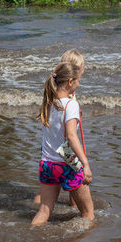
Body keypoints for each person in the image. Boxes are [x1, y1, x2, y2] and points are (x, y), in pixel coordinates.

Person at [31, 57, 94, 225]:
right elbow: (72, 136)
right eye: (78, 81)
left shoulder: (48, 103)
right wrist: (85, 164)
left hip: (47, 162)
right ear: (70, 82)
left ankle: (30, 239)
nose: (79, 85)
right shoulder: (70, 105)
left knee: (44, 211)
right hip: (67, 161)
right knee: (88, 214)